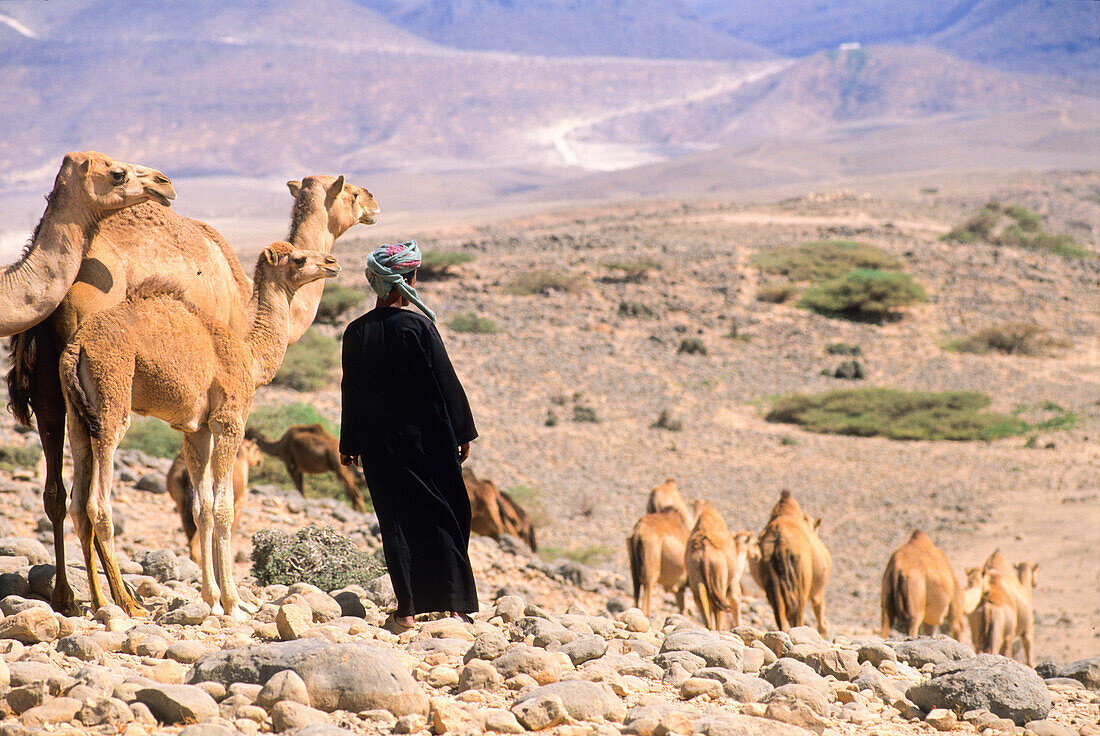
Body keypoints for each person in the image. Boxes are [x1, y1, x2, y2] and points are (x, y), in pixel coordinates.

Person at [339, 240, 478, 630]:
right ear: (409, 280)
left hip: (378, 446)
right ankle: (455, 607)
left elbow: (351, 390)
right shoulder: (419, 326)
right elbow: (446, 384)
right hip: (427, 441)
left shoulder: (355, 332)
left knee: (396, 521)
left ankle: (408, 611)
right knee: (447, 513)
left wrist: (349, 442)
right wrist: (462, 433)